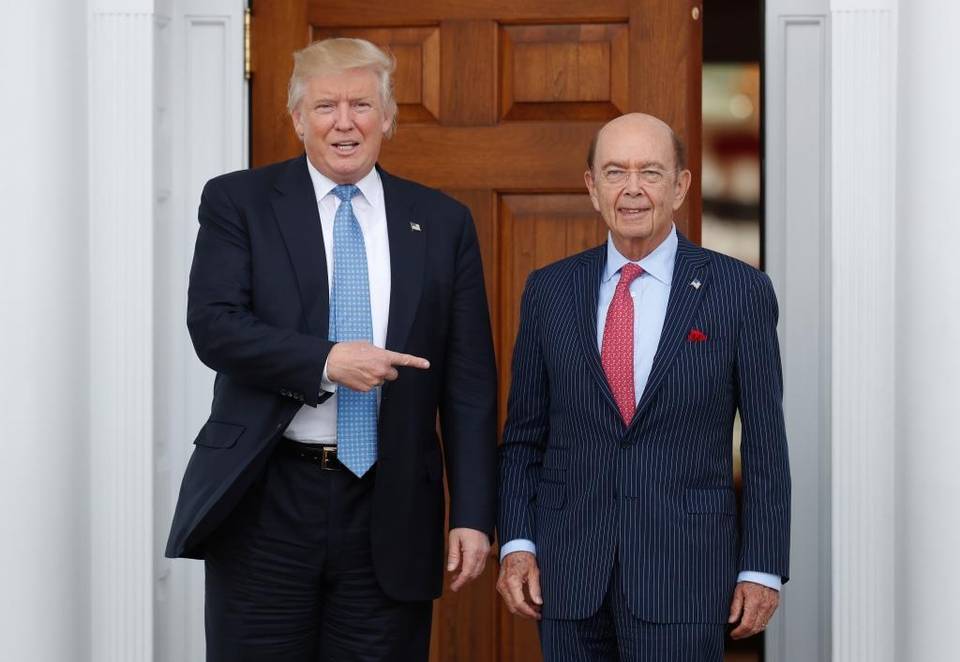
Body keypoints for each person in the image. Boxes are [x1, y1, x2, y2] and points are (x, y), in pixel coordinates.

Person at [165, 37, 498, 661]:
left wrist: (474, 514)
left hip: (391, 504)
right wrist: (324, 361)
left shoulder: (442, 221)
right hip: (267, 500)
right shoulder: (239, 202)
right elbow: (214, 325)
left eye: (361, 105)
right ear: (297, 119)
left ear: (388, 117)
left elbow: (469, 382)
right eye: (325, 106)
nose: (344, 122)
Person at [496, 113, 790, 661]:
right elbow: (523, 439)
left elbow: (766, 443)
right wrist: (517, 544)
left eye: (650, 172)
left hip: (686, 575)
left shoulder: (739, 291)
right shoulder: (549, 291)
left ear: (680, 186)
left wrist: (762, 567)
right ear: (592, 186)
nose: (632, 188)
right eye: (615, 172)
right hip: (569, 578)